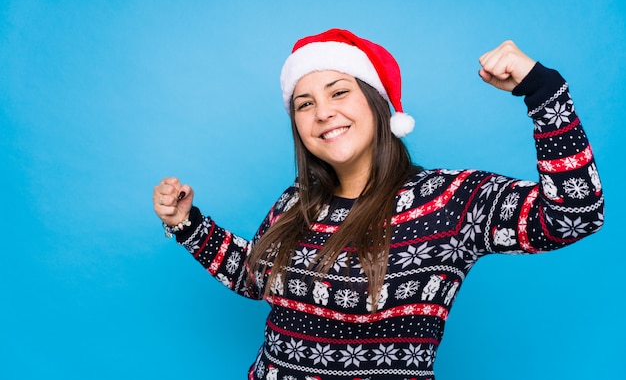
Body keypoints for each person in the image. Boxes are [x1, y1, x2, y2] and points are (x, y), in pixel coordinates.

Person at [153, 29, 604, 380]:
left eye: (339, 91)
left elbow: (573, 216)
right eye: (304, 103)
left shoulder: (447, 201)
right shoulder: (297, 201)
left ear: (378, 104)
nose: (322, 112)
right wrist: (188, 224)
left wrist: (544, 92)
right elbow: (255, 278)